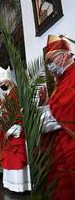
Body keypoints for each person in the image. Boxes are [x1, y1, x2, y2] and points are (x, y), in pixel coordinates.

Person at [40, 35, 75, 199]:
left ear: (63, 56)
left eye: (50, 61)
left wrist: (55, 118)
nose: (49, 66)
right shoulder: (61, 81)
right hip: (61, 143)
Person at [0, 77, 31, 192]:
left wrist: (13, 129)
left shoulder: (15, 93)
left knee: (16, 158)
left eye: (1, 82)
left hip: (15, 131)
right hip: (9, 131)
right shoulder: (8, 95)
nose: (0, 85)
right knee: (9, 158)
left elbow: (18, 113)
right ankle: (12, 185)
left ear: (8, 82)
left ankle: (20, 186)